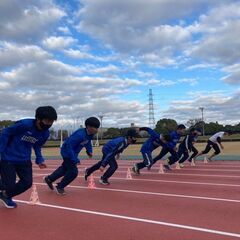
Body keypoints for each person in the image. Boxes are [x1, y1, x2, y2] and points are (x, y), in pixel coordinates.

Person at [0, 106, 57, 208]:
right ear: (38, 119)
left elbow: (38, 145)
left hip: (24, 159)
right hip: (8, 158)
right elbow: (6, 133)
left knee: (27, 183)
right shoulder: (24, 125)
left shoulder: (45, 133)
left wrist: (39, 159)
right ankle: (5, 190)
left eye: (51, 121)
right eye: (47, 121)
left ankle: (5, 195)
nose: (49, 124)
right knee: (9, 185)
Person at [44, 117, 100, 195]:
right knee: (73, 172)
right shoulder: (79, 135)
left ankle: (49, 179)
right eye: (95, 128)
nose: (96, 130)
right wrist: (74, 159)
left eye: (97, 128)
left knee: (65, 168)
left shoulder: (90, 134)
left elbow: (88, 142)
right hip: (67, 152)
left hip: (73, 153)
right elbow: (69, 146)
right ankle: (60, 186)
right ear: (88, 127)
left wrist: (89, 151)